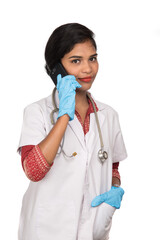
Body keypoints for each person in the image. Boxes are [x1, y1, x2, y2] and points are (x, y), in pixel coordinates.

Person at [18, 23, 127, 240]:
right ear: (55, 68)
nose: (87, 69)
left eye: (92, 58)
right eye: (76, 61)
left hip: (93, 227)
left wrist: (113, 191)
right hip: (47, 229)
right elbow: (33, 171)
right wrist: (63, 117)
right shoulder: (37, 112)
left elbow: (112, 163)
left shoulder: (109, 115)